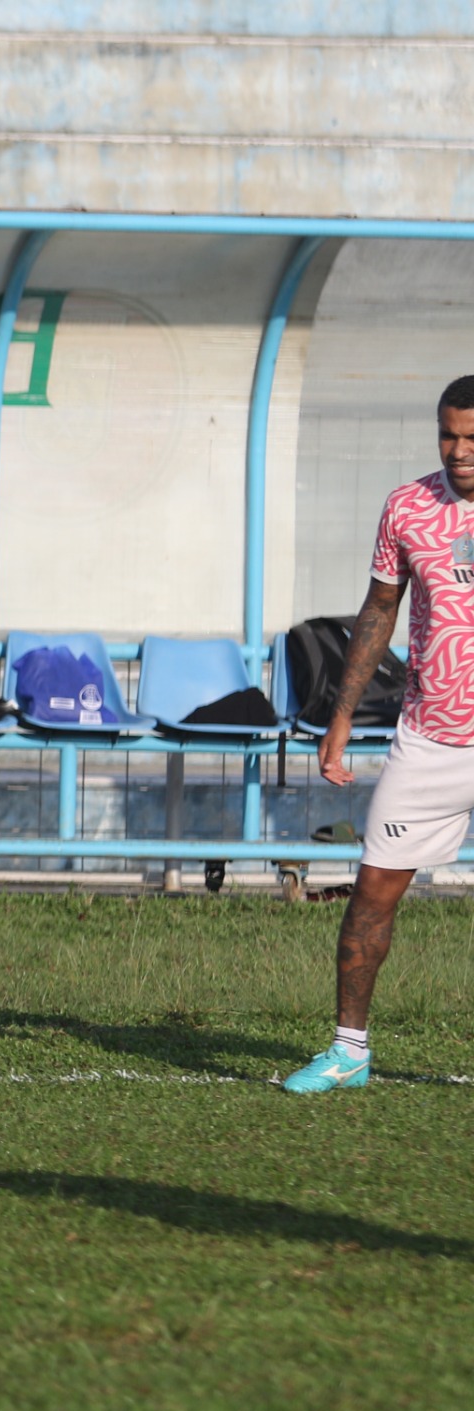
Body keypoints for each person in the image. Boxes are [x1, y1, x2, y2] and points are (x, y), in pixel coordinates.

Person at [283, 375, 474, 1094]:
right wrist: (340, 717)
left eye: (472, 438)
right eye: (448, 435)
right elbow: (379, 611)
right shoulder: (408, 506)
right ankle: (349, 1051)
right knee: (371, 893)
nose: (459, 450)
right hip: (429, 738)